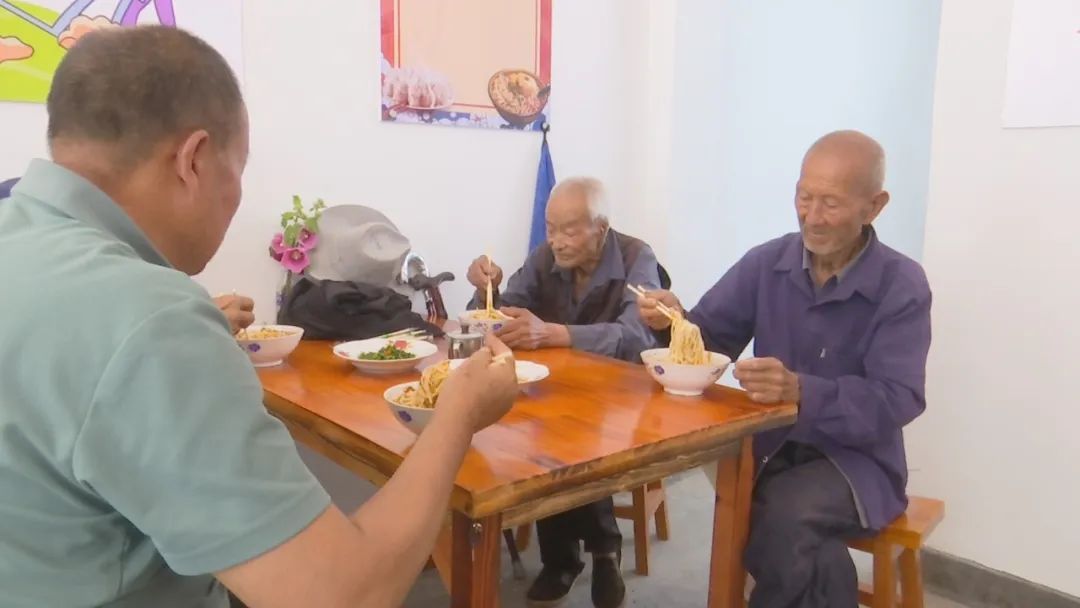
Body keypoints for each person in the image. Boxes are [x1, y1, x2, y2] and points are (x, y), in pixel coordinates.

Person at [0, 26, 518, 608]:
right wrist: (458, 415)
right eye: (239, 168)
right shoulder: (151, 320)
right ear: (193, 160)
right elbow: (344, 595)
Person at [638, 131, 931, 608]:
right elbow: (707, 339)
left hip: (856, 463)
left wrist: (801, 391)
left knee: (782, 516)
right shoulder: (767, 263)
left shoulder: (901, 284)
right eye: (804, 197)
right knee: (805, 544)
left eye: (830, 203)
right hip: (770, 449)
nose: (812, 217)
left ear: (874, 206)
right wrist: (672, 320)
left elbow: (899, 397)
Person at [465, 176, 661, 608]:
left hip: (623, 394)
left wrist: (557, 334)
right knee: (544, 425)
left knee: (577, 433)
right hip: (559, 388)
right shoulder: (546, 255)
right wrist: (485, 288)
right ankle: (586, 553)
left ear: (601, 229)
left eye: (569, 230)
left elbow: (637, 336)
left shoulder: (636, 257)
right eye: (550, 228)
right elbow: (502, 312)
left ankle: (581, 556)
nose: (556, 241)